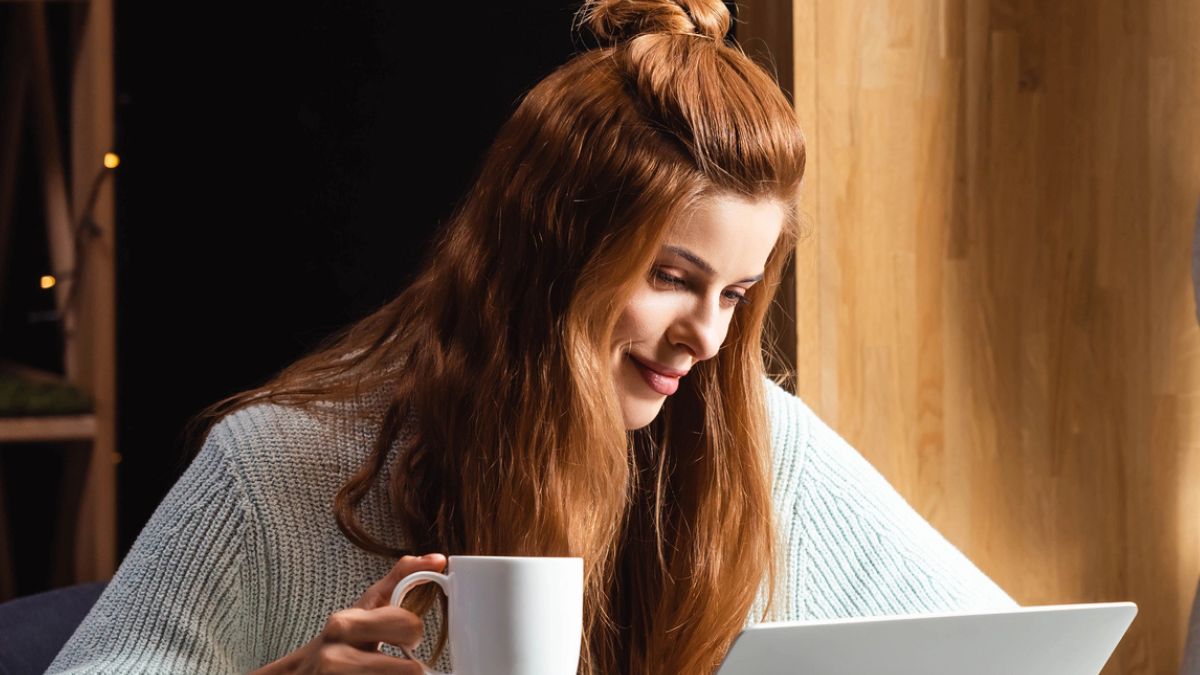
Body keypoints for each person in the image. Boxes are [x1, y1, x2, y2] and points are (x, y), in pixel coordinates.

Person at [46, 1, 1017, 673]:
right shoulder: (275, 468)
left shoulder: (753, 435)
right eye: (674, 279)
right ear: (549, 260)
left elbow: (1006, 650)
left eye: (738, 293)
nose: (706, 339)